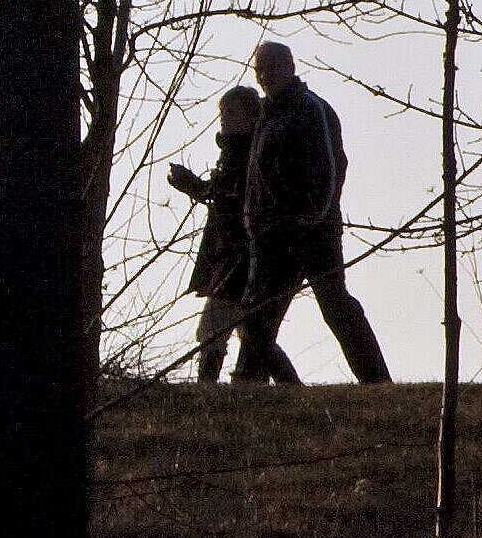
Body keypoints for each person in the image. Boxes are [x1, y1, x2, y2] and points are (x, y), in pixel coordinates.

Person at [238, 39, 391, 385]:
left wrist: (312, 216)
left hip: (312, 234)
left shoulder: (311, 109)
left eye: (272, 68)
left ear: (290, 67)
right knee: (255, 318)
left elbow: (331, 167)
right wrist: (253, 220)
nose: (265, 76)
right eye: (259, 70)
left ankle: (377, 382)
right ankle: (260, 387)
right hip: (269, 236)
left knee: (336, 307)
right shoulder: (266, 115)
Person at [163, 86, 298, 383]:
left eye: (232, 113)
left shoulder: (251, 153)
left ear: (251, 117)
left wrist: (198, 188)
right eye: (223, 113)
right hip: (231, 254)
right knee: (251, 333)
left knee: (218, 330)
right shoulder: (237, 151)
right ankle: (283, 386)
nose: (225, 120)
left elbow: (238, 202)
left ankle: (208, 388)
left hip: (240, 256)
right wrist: (198, 188)